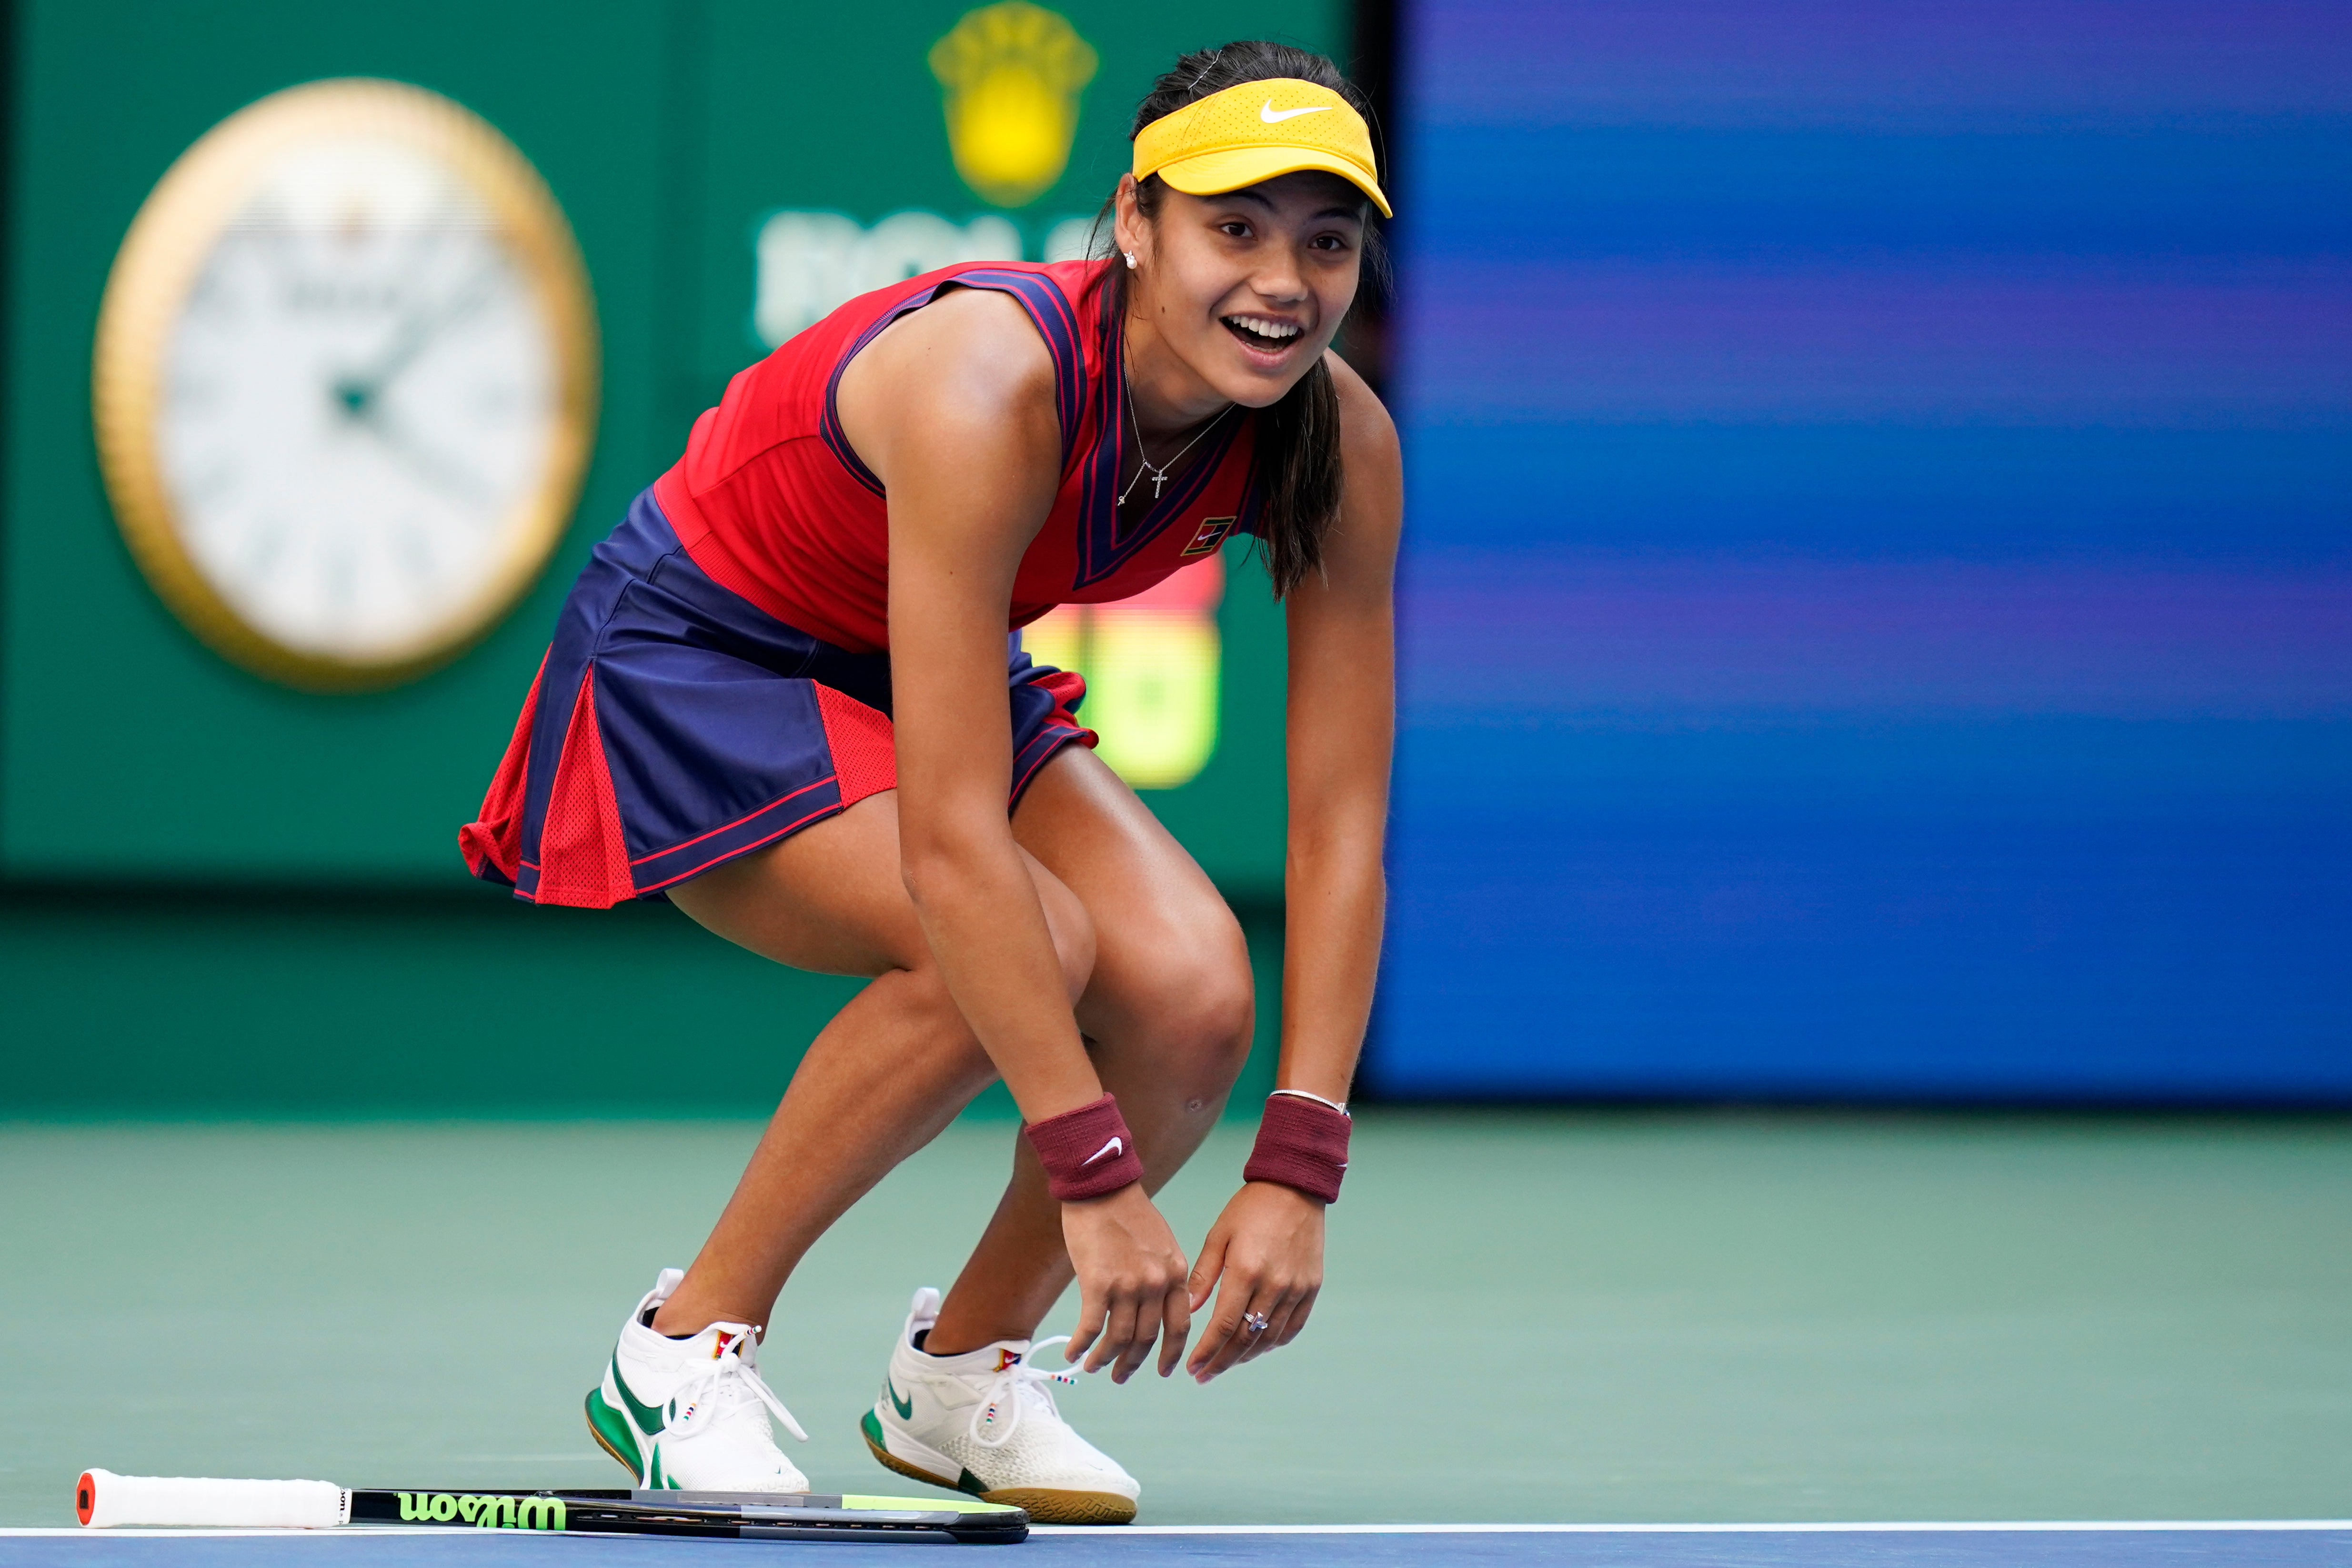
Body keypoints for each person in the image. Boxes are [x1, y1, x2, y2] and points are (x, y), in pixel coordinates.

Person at [460, 40, 1399, 1525]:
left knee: (1195, 987)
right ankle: (681, 1342)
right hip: (700, 653)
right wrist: (1097, 1177)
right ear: (1136, 222)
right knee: (1017, 938)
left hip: (914, 662)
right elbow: (958, 855)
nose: (1283, 281)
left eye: (1325, 240)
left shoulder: (1333, 437)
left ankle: (960, 1378)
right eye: (1236, 227)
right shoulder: (989, 382)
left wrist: (1301, 1158)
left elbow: (1340, 819)